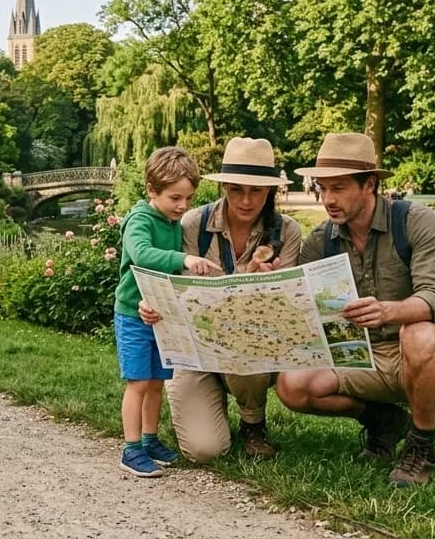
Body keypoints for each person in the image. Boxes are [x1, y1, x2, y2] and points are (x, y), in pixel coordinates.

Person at [276, 133, 435, 487]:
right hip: (364, 356)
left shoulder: (415, 221)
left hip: (433, 353)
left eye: (339, 188)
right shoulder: (322, 239)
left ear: (369, 185)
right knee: (293, 385)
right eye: (323, 188)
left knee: (418, 333)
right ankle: (383, 420)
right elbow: (297, 302)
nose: (328, 200)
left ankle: (420, 446)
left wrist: (388, 311)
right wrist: (273, 279)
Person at [141, 138, 302, 463]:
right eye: (236, 189)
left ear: (270, 191)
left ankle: (253, 423)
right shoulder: (193, 224)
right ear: (224, 187)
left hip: (251, 346)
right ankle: (208, 406)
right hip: (195, 350)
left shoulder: (286, 232)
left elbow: (286, 308)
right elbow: (173, 283)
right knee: (204, 451)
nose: (245, 200)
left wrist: (261, 282)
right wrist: (152, 304)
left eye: (256, 191)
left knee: (247, 344)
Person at [114, 146, 220, 478]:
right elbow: (142, 254)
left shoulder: (171, 219)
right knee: (138, 382)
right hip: (133, 314)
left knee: (158, 381)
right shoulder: (140, 220)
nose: (183, 206)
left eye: (188, 199)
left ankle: (149, 439)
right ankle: (130, 449)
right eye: (176, 198)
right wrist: (184, 260)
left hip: (159, 314)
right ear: (151, 190)